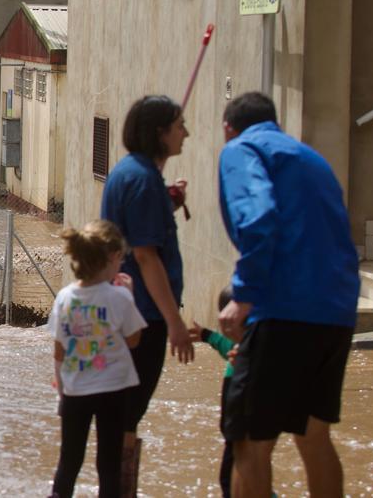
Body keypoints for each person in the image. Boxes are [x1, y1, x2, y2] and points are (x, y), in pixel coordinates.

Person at [215, 92, 359, 498]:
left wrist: (243, 296)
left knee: (249, 441)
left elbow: (257, 216)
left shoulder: (240, 149)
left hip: (282, 309)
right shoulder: (311, 159)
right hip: (337, 311)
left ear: (229, 127)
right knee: (314, 436)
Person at [98, 95, 195, 496]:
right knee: (126, 417)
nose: (186, 132)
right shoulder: (141, 181)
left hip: (130, 312)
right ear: (160, 133)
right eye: (179, 125)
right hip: (143, 317)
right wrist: (175, 323)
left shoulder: (135, 174)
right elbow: (146, 256)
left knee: (124, 417)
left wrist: (166, 201)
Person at [48, 219, 146, 498]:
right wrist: (129, 295)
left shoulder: (65, 297)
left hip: (76, 391)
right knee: (109, 465)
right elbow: (134, 340)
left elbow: (59, 350)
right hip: (113, 390)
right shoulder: (119, 297)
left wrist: (62, 391)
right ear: (113, 257)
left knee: (69, 461)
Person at [190, 285, 242, 498]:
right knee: (233, 478)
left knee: (234, 480)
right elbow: (226, 345)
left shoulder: (253, 352)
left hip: (242, 435)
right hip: (234, 435)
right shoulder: (238, 349)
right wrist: (206, 335)